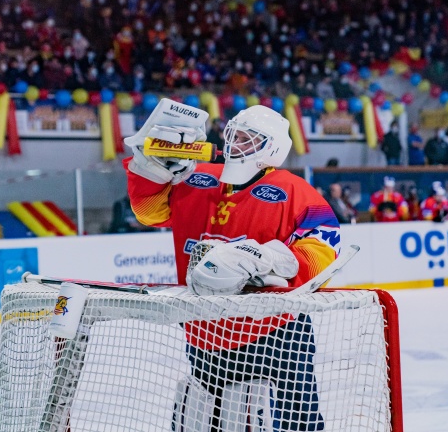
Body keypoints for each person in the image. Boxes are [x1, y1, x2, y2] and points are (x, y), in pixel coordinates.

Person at [124, 102, 340, 431]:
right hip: (204, 331)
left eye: (248, 138)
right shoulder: (195, 177)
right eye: (234, 134)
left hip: (276, 333)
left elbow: (325, 247)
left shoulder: (293, 189)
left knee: (298, 423)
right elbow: (149, 213)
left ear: (273, 148)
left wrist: (267, 259)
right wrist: (149, 169)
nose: (236, 143)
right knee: (212, 420)